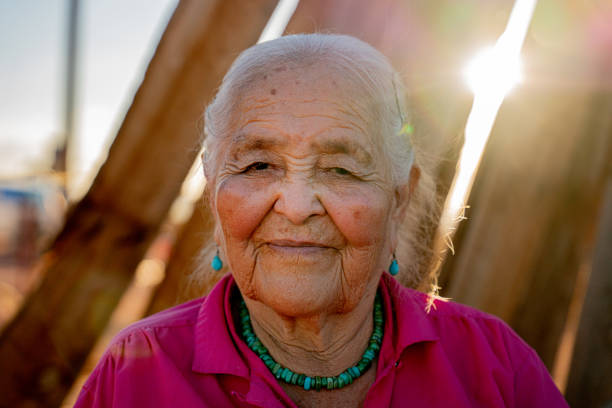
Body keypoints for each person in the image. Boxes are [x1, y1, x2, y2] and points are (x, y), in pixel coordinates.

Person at [75, 33, 567, 407]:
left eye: (341, 169)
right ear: (214, 196)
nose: (295, 205)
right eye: (258, 165)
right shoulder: (135, 374)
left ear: (399, 200)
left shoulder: (494, 365)